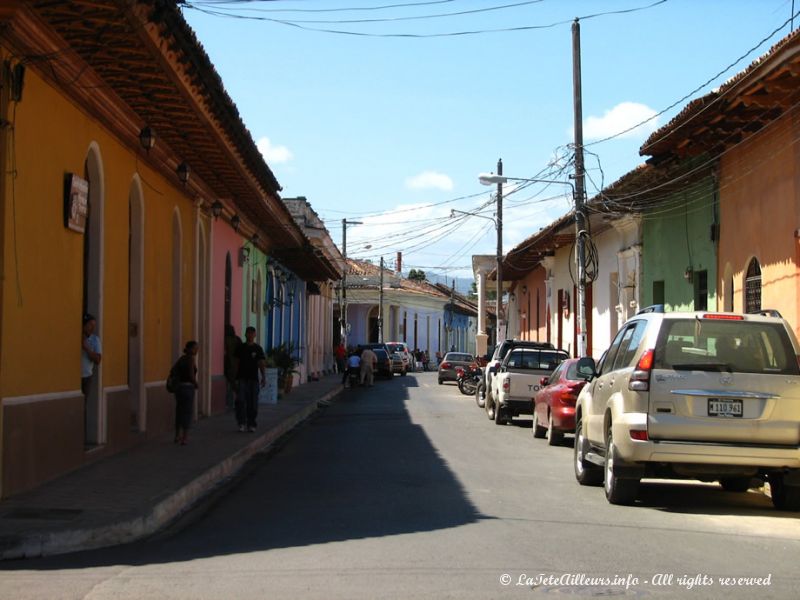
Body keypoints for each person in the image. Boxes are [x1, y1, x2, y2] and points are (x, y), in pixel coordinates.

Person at [235, 326, 266, 432]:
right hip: (242, 379)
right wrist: (235, 378)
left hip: (254, 379)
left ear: (255, 335)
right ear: (245, 334)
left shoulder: (258, 349)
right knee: (240, 401)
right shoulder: (240, 348)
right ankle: (241, 423)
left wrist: (264, 377)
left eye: (252, 333)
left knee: (253, 403)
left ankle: (251, 423)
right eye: (248, 333)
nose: (250, 335)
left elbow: (261, 363)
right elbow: (236, 363)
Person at [172, 341, 199, 445]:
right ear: (190, 349)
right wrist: (196, 384)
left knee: (179, 411)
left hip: (179, 388)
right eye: (195, 348)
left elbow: (174, 371)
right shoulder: (190, 359)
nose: (196, 350)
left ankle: (176, 435)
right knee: (187, 412)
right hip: (188, 388)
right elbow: (191, 376)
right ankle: (185, 437)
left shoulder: (181, 359)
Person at [81, 313, 102, 398]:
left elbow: (98, 360)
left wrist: (87, 348)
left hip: (86, 377)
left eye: (94, 325)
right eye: (90, 325)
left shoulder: (95, 340)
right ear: (84, 325)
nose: (93, 328)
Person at [223, 325, 241, 410]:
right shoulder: (237, 339)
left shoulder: (225, 339)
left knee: (230, 383)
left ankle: (230, 403)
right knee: (234, 383)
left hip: (227, 364)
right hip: (236, 364)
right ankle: (235, 402)